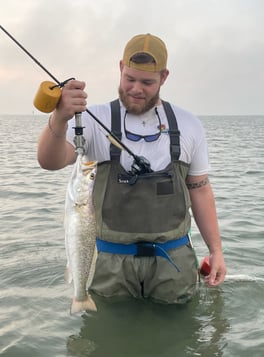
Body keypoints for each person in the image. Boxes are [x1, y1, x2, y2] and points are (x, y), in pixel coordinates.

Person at [38, 33, 226, 304]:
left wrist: (216, 250)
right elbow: (49, 161)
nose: (136, 88)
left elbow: (200, 189)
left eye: (147, 82)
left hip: (173, 262)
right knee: (106, 338)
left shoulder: (189, 125)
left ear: (164, 77)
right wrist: (59, 116)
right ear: (120, 69)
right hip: (109, 263)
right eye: (130, 79)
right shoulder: (94, 119)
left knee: (179, 340)